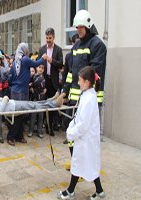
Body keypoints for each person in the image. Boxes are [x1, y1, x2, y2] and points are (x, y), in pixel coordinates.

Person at [62, 10, 107, 169]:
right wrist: (64, 92)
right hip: (74, 99)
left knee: (84, 137)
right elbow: (70, 73)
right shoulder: (76, 46)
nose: (78, 30)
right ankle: (76, 162)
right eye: (77, 27)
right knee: (71, 133)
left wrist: (83, 96)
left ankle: (82, 166)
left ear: (88, 26)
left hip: (89, 100)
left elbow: (93, 73)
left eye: (81, 27)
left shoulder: (98, 45)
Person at [57, 66, 105, 200]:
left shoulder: (89, 99)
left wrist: (71, 133)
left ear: (87, 82)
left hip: (85, 139)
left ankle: (70, 191)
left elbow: (83, 124)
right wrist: (71, 127)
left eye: (80, 80)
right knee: (88, 164)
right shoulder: (87, 95)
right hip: (85, 139)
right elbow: (79, 117)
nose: (78, 83)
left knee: (79, 163)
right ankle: (100, 192)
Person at [7, 42, 46, 146]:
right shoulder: (24, 59)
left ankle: (19, 136)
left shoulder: (16, 60)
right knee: (18, 115)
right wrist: (43, 57)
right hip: (20, 91)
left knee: (21, 114)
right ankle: (11, 136)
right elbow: (37, 64)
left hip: (18, 90)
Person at [38, 28, 63, 136]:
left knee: (52, 104)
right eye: (47, 38)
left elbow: (61, 64)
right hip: (44, 80)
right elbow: (38, 63)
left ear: (54, 37)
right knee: (43, 103)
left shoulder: (58, 49)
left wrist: (51, 60)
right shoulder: (41, 49)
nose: (48, 40)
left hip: (53, 80)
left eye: (50, 38)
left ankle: (50, 126)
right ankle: (43, 125)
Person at [0, 92, 64, 114]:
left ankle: (51, 100)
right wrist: (4, 99)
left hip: (11, 103)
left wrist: (3, 99)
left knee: (32, 103)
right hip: (12, 106)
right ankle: (55, 104)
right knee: (33, 106)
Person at [28, 64, 46, 138]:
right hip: (34, 98)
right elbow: (29, 84)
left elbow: (46, 87)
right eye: (39, 67)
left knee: (41, 115)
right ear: (36, 68)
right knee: (33, 115)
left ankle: (39, 130)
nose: (41, 69)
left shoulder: (45, 78)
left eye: (42, 68)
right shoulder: (33, 76)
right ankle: (31, 130)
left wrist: (45, 90)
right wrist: (30, 88)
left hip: (42, 99)